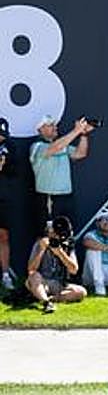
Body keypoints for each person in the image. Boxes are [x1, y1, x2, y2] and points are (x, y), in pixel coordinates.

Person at [30, 115, 95, 224]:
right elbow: (55, 148)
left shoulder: (63, 145)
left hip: (66, 197)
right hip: (49, 197)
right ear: (40, 129)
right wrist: (76, 130)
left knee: (68, 233)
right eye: (51, 125)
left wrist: (83, 134)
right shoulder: (37, 146)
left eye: (55, 125)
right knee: (48, 234)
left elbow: (80, 154)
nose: (55, 127)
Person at [27, 215, 86, 313]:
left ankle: (51, 299)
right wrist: (41, 250)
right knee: (34, 276)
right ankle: (46, 303)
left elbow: (74, 270)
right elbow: (31, 269)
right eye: (53, 233)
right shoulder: (40, 244)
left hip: (59, 284)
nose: (55, 236)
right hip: (42, 281)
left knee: (81, 292)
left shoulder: (67, 247)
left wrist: (60, 253)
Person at [0, 117, 12, 290]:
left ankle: (5, 274)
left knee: (3, 236)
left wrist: (3, 164)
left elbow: (15, 171)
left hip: (2, 197)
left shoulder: (9, 149)